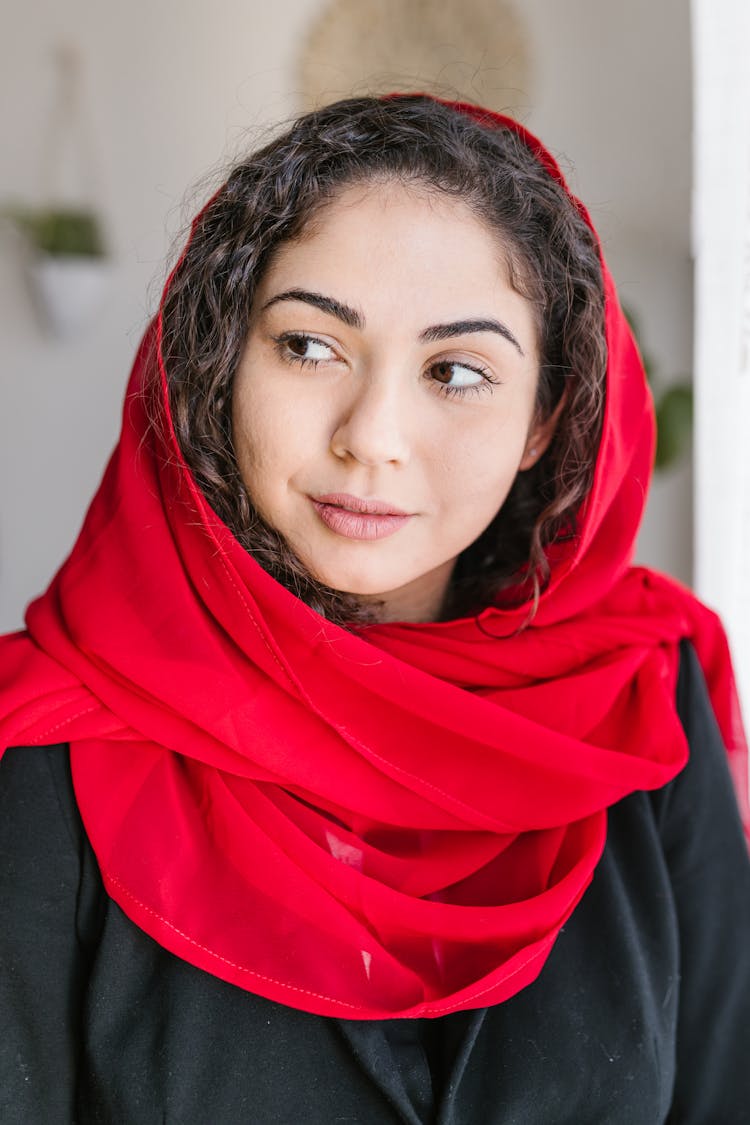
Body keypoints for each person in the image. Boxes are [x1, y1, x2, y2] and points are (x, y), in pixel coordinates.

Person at [0, 93, 748, 1124]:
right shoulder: (43, 745)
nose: (373, 437)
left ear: (545, 418)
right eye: (310, 346)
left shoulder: (640, 701)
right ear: (220, 357)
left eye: (456, 371)